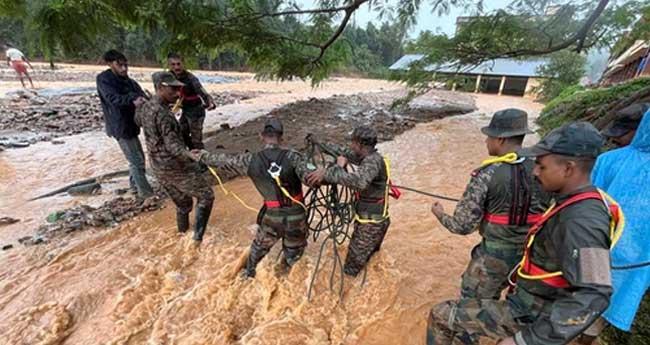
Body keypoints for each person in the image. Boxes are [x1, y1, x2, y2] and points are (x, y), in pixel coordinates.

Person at [426, 122, 624, 345]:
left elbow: (595, 292)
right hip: (528, 293)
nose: (535, 172)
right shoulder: (572, 202)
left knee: (442, 315)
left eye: (542, 166)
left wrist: (526, 340)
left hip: (534, 312)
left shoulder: (583, 220)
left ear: (568, 169)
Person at [430, 108, 549, 299]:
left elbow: (462, 226)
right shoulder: (544, 170)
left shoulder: (487, 174)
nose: (486, 141)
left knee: (474, 309)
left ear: (500, 139)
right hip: (533, 257)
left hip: (495, 258)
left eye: (489, 137)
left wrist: (440, 214)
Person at [191, 118, 311, 277]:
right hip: (297, 217)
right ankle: (282, 278)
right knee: (292, 257)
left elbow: (224, 160)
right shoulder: (295, 157)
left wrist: (202, 156)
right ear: (281, 138)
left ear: (261, 136)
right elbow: (313, 177)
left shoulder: (250, 160)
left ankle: (247, 276)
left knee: (257, 252)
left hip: (271, 217)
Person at [578, 108, 650, 344]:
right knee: (598, 306)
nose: (614, 138)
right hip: (630, 258)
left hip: (609, 252)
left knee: (585, 300)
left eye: (622, 133)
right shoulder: (610, 160)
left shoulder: (609, 160)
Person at [135, 72, 215, 243]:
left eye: (179, 89)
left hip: (157, 166)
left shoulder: (146, 107)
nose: (178, 93)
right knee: (206, 195)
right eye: (173, 89)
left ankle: (181, 237)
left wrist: (138, 104)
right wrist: (190, 154)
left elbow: (137, 121)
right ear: (160, 88)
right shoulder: (164, 114)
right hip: (173, 166)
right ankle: (197, 239)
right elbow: (173, 146)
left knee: (184, 204)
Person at [305, 126, 394, 277]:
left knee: (350, 271)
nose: (351, 146)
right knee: (369, 261)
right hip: (373, 222)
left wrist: (333, 169)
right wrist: (319, 143)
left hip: (370, 226)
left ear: (360, 144)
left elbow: (358, 182)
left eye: (353, 143)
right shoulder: (368, 156)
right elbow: (343, 152)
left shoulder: (373, 162)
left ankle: (349, 296)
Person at [96, 49, 154, 199]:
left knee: (137, 158)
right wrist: (132, 100)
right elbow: (112, 99)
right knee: (136, 161)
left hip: (132, 124)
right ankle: (145, 194)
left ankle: (135, 188)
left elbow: (141, 94)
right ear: (110, 64)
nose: (124, 69)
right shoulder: (104, 80)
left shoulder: (129, 81)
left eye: (125, 65)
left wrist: (144, 99)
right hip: (119, 125)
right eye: (119, 65)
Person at [167, 52, 216, 149]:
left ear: (183, 64)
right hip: (185, 110)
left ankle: (202, 161)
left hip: (196, 111)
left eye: (178, 64)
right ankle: (191, 154)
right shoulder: (169, 77)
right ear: (169, 65)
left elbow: (201, 91)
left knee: (196, 141)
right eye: (173, 64)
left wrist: (210, 102)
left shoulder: (191, 78)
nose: (176, 67)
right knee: (181, 134)